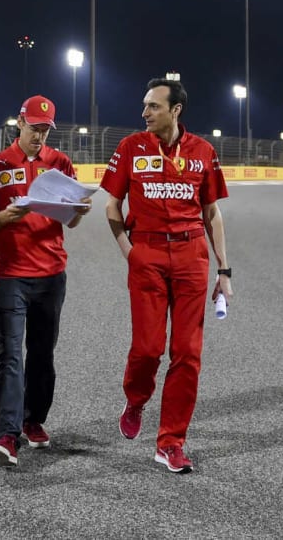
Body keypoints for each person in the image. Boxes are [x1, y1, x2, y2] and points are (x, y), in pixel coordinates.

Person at [102, 78, 232, 474]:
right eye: (145, 105)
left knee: (187, 354)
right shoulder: (130, 147)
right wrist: (130, 251)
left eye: (153, 106)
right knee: (147, 349)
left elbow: (212, 213)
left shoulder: (203, 151)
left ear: (176, 110)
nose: (144, 113)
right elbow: (112, 204)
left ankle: (170, 441)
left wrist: (224, 270)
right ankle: (136, 398)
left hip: (192, 254)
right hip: (148, 253)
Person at [0, 95, 90, 466]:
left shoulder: (60, 164)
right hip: (9, 274)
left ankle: (33, 419)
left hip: (51, 274)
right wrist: (3, 218)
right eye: (34, 127)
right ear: (19, 123)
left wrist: (79, 211)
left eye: (45, 129)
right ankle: (6, 436)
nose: (39, 136)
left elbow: (70, 221)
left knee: (42, 355)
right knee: (10, 354)